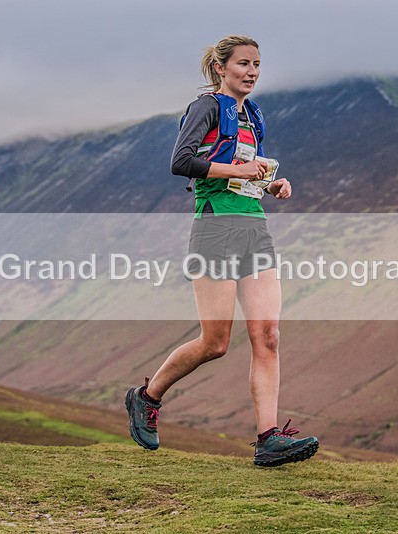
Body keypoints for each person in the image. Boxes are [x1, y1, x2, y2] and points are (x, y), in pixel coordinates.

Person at [125, 35, 319, 466]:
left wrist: (270, 183)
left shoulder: (252, 116)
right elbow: (182, 162)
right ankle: (147, 397)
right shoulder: (206, 107)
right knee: (215, 343)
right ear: (221, 68)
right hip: (214, 225)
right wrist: (237, 169)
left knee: (267, 336)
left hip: (254, 228)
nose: (251, 72)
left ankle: (269, 439)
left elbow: (247, 171)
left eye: (257, 64)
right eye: (243, 64)